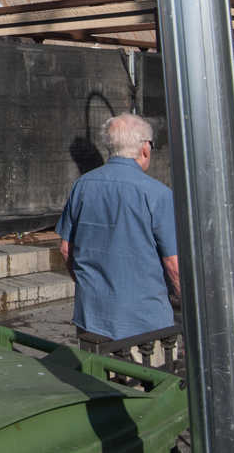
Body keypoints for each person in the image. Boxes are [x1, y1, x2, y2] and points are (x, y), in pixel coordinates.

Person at [56, 113, 181, 341]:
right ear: (145, 148)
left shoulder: (82, 186)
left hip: (91, 318)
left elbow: (66, 249)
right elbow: (174, 265)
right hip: (144, 320)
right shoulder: (158, 194)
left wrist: (88, 288)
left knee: (93, 365)